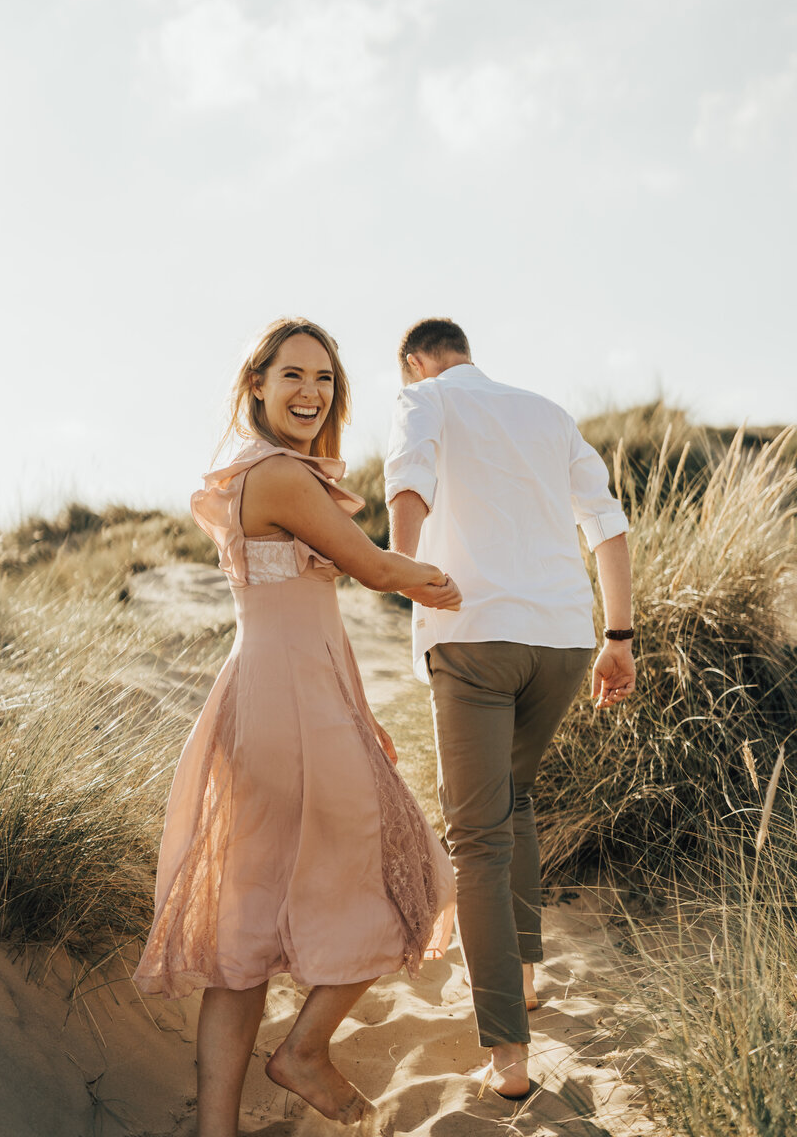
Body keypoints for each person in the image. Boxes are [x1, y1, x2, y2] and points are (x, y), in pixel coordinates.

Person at [133, 318, 459, 1135]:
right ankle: (305, 1049)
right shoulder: (279, 475)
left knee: (243, 928)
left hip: (280, 697)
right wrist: (473, 580)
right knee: (411, 876)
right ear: (257, 386)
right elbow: (381, 569)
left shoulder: (265, 476)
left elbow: (316, 617)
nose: (310, 391)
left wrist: (361, 709)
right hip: (290, 707)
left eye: (324, 379)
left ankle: (219, 1128)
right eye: (292, 376)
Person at [384, 317, 635, 1100]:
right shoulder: (547, 412)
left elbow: (408, 479)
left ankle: (508, 1055)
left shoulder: (422, 400)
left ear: (418, 362)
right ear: (467, 351)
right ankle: (524, 975)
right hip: (563, 642)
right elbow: (607, 521)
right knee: (513, 800)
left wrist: (405, 569)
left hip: (473, 637)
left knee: (478, 841)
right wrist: (620, 637)